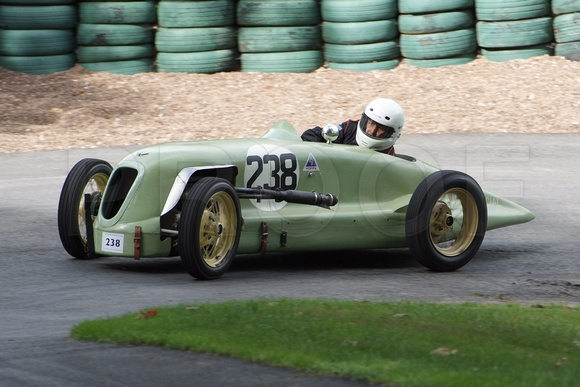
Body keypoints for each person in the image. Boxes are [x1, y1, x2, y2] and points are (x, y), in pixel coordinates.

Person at [301, 98, 405, 155]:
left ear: (393, 134)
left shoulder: (389, 156)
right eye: (371, 123)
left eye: (381, 128)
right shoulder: (350, 128)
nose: (372, 131)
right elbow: (312, 135)